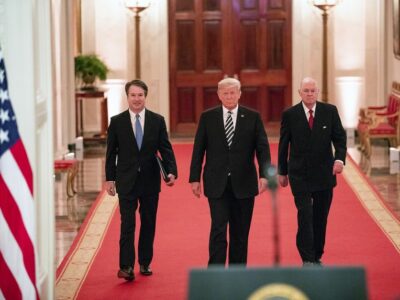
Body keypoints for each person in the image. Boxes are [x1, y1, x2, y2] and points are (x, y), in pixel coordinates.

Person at [189, 77, 271, 266]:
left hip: (244, 183)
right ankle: (215, 272)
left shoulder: (253, 117)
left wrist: (265, 175)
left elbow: (263, 149)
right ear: (218, 95)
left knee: (240, 232)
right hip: (216, 182)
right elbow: (198, 149)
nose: (229, 96)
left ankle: (237, 273)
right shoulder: (208, 117)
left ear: (240, 94)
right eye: (225, 93)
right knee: (218, 228)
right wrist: (194, 178)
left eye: (232, 92)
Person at [105, 79, 177, 281]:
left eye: (140, 95)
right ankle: (126, 266)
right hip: (126, 180)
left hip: (150, 180)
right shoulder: (117, 122)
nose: (136, 99)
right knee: (127, 223)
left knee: (148, 222)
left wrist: (171, 171)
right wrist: (110, 179)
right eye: (132, 95)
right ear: (127, 97)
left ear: (145, 97)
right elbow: (111, 153)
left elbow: (166, 148)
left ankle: (145, 262)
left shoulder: (157, 120)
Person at [278, 77, 347, 266]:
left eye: (312, 91)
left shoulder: (329, 111)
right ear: (299, 93)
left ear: (318, 93)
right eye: (306, 90)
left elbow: (340, 139)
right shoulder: (290, 114)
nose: (309, 94)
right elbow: (284, 144)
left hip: (324, 174)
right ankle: (307, 258)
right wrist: (282, 171)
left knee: (320, 216)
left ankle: (317, 254)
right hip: (299, 174)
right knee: (305, 214)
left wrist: (339, 159)